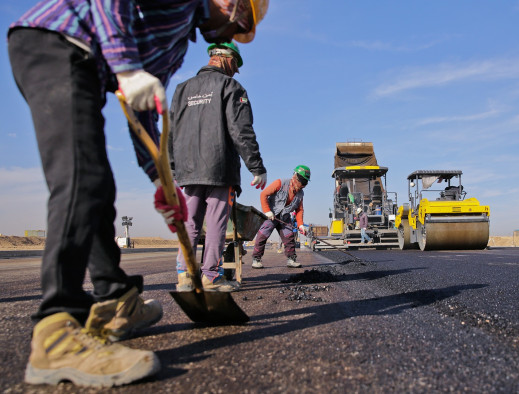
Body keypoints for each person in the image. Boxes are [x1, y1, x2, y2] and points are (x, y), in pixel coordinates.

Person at [7, 0, 268, 387]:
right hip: (56, 43)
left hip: (88, 66)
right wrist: (127, 68)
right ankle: (56, 333)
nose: (234, 35)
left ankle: (115, 301)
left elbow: (142, 106)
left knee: (98, 187)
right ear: (229, 3)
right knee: (83, 180)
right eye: (241, 23)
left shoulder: (179, 41)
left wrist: (160, 179)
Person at [169, 42, 266, 292]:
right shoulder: (230, 86)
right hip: (219, 167)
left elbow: (171, 131)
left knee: (189, 222)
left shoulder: (181, 89)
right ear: (227, 59)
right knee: (215, 223)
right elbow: (241, 130)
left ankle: (185, 276)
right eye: (236, 65)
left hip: (187, 170)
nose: (236, 71)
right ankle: (211, 276)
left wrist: (172, 166)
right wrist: (256, 166)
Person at [251, 166, 310, 269]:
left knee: (289, 237)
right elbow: (263, 194)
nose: (302, 185)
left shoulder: (300, 193)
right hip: (271, 215)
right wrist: (267, 211)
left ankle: (291, 259)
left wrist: (300, 225)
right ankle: (256, 259)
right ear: (295, 177)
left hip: (285, 217)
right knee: (263, 235)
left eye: (305, 182)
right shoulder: (280, 183)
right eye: (301, 181)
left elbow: (299, 210)